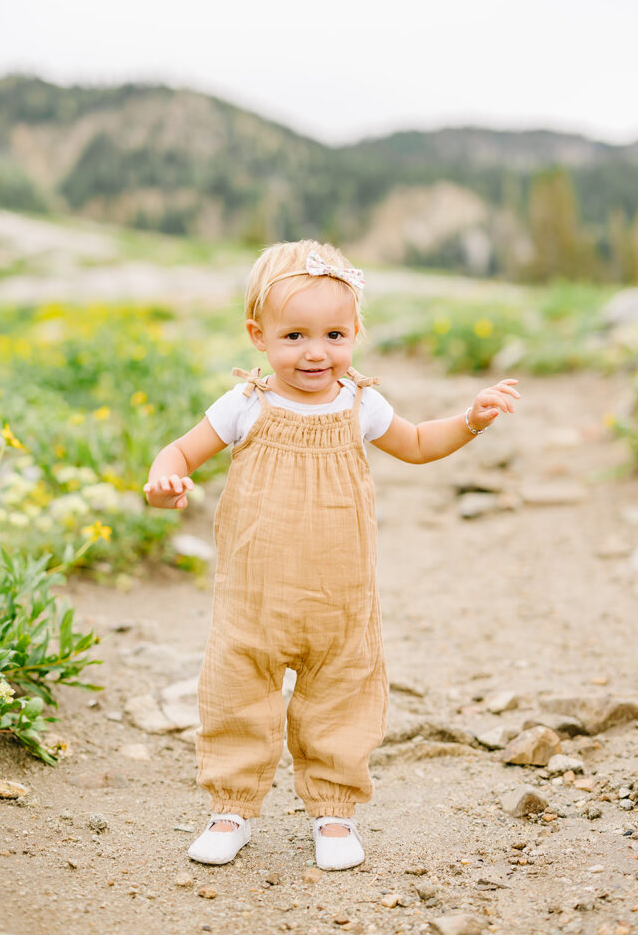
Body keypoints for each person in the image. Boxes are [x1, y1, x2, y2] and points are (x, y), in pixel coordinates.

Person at [143, 239, 520, 871]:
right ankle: (230, 808)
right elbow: (179, 452)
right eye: (294, 335)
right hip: (253, 595)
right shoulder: (247, 404)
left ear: (355, 334)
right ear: (257, 335)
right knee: (237, 692)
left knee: (342, 694)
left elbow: (421, 444)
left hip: (339, 596)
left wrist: (472, 419)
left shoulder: (360, 403)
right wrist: (165, 483)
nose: (316, 352)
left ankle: (334, 813)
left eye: (334, 334)